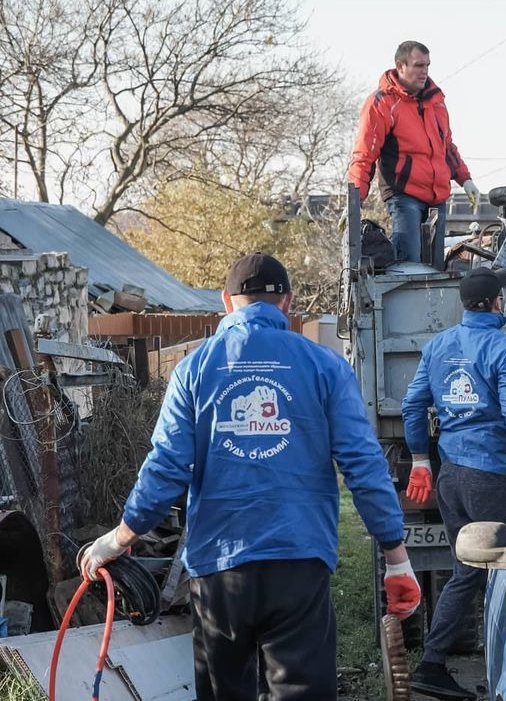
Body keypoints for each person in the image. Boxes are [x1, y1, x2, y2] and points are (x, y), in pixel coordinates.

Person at [79, 252, 422, 700]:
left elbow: (166, 466)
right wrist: (396, 556)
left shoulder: (193, 370)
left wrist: (118, 539)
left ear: (226, 301)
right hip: (299, 563)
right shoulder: (325, 367)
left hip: (220, 570)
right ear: (288, 302)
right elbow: (362, 462)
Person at [401, 267, 506, 701]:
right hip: (494, 475)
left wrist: (421, 458)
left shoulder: (438, 346)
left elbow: (411, 405)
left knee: (469, 571)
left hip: (451, 474)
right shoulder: (504, 348)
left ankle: (432, 664)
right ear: (498, 302)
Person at [348, 40, 481, 268]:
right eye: (419, 65)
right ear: (400, 66)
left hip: (436, 198)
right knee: (409, 262)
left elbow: (446, 146)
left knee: (435, 267)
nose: (425, 72)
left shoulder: (436, 102)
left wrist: (465, 179)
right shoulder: (381, 103)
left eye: (428, 65)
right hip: (403, 194)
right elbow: (365, 154)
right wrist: (354, 201)